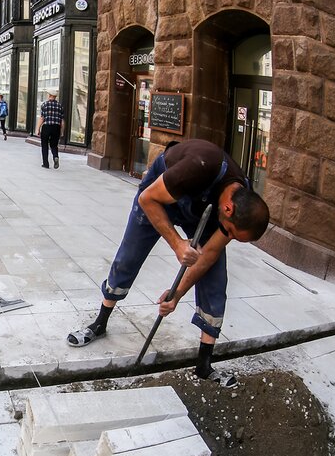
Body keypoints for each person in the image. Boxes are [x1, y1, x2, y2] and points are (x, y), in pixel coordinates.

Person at [65, 139, 271, 388]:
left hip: (202, 209)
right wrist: (177, 244)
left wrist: (175, 295)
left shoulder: (241, 202)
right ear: (228, 209)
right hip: (160, 196)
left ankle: (204, 364)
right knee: (129, 256)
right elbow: (147, 199)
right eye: (230, 231)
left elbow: (209, 254)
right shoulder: (199, 166)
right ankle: (99, 323)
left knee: (216, 281)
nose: (228, 235)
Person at [36, 90, 64, 169]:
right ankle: (55, 156)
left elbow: (42, 118)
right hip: (56, 127)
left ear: (49, 95)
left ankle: (46, 163)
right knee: (54, 145)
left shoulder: (45, 105)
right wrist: (61, 131)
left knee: (44, 145)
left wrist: (38, 129)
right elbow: (62, 121)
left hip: (47, 127)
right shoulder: (60, 106)